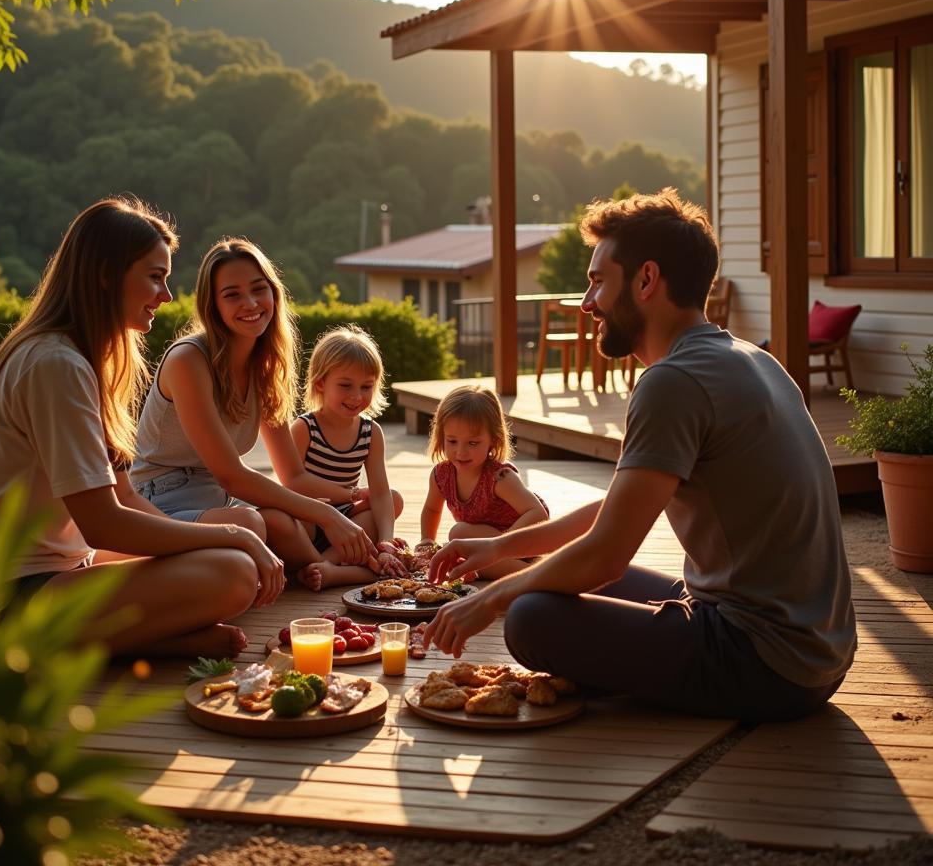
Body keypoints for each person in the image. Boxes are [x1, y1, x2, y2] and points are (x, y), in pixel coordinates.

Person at [424, 188, 856, 722]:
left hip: (764, 661)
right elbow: (618, 511)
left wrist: (489, 600)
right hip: (818, 650)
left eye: (598, 281)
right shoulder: (747, 358)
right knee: (556, 576)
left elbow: (605, 554)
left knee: (530, 617)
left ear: (646, 280)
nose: (587, 304)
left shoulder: (673, 381)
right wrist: (501, 550)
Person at [0, 197, 285, 659]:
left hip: (64, 567)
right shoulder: (55, 365)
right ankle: (105, 646)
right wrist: (233, 534)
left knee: (229, 561)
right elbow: (103, 524)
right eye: (155, 277)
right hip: (4, 595)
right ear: (106, 275)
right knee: (235, 571)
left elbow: (125, 498)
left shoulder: (88, 361)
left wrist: (209, 544)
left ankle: (140, 637)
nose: (166, 296)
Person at [131, 238, 377, 582]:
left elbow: (293, 475)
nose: (250, 303)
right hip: (159, 500)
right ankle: (357, 573)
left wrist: (350, 501)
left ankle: (334, 573)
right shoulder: (188, 360)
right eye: (232, 294)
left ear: (274, 293)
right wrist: (328, 516)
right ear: (212, 304)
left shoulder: (263, 369)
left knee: (282, 521)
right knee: (251, 522)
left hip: (219, 498)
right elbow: (231, 474)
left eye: (259, 289)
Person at [290, 324, 405, 590]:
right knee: (287, 521)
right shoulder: (305, 428)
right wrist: (351, 494)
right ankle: (351, 567)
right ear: (320, 383)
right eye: (345, 385)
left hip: (347, 516)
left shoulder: (370, 432)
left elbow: (379, 492)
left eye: (366, 387)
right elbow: (294, 483)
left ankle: (324, 566)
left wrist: (386, 542)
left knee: (393, 499)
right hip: (310, 515)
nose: (356, 396)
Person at [419, 384, 549, 579]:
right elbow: (431, 509)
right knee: (460, 552)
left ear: (493, 440)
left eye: (472, 443)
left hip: (523, 543)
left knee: (458, 534)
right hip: (486, 543)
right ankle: (499, 569)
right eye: (452, 441)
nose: (461, 452)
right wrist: (427, 540)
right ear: (441, 436)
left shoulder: (500, 477)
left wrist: (501, 545)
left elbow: (538, 513)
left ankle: (536, 575)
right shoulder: (441, 475)